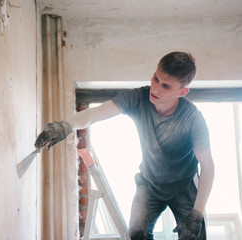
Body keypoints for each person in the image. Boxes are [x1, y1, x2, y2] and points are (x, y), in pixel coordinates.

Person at [34, 52, 215, 240]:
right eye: (155, 78)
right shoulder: (138, 98)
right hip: (150, 184)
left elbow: (208, 167)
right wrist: (65, 126)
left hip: (184, 186)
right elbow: (97, 113)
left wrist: (197, 214)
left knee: (195, 235)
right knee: (137, 234)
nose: (156, 88)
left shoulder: (193, 118)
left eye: (166, 86)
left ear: (182, 92)